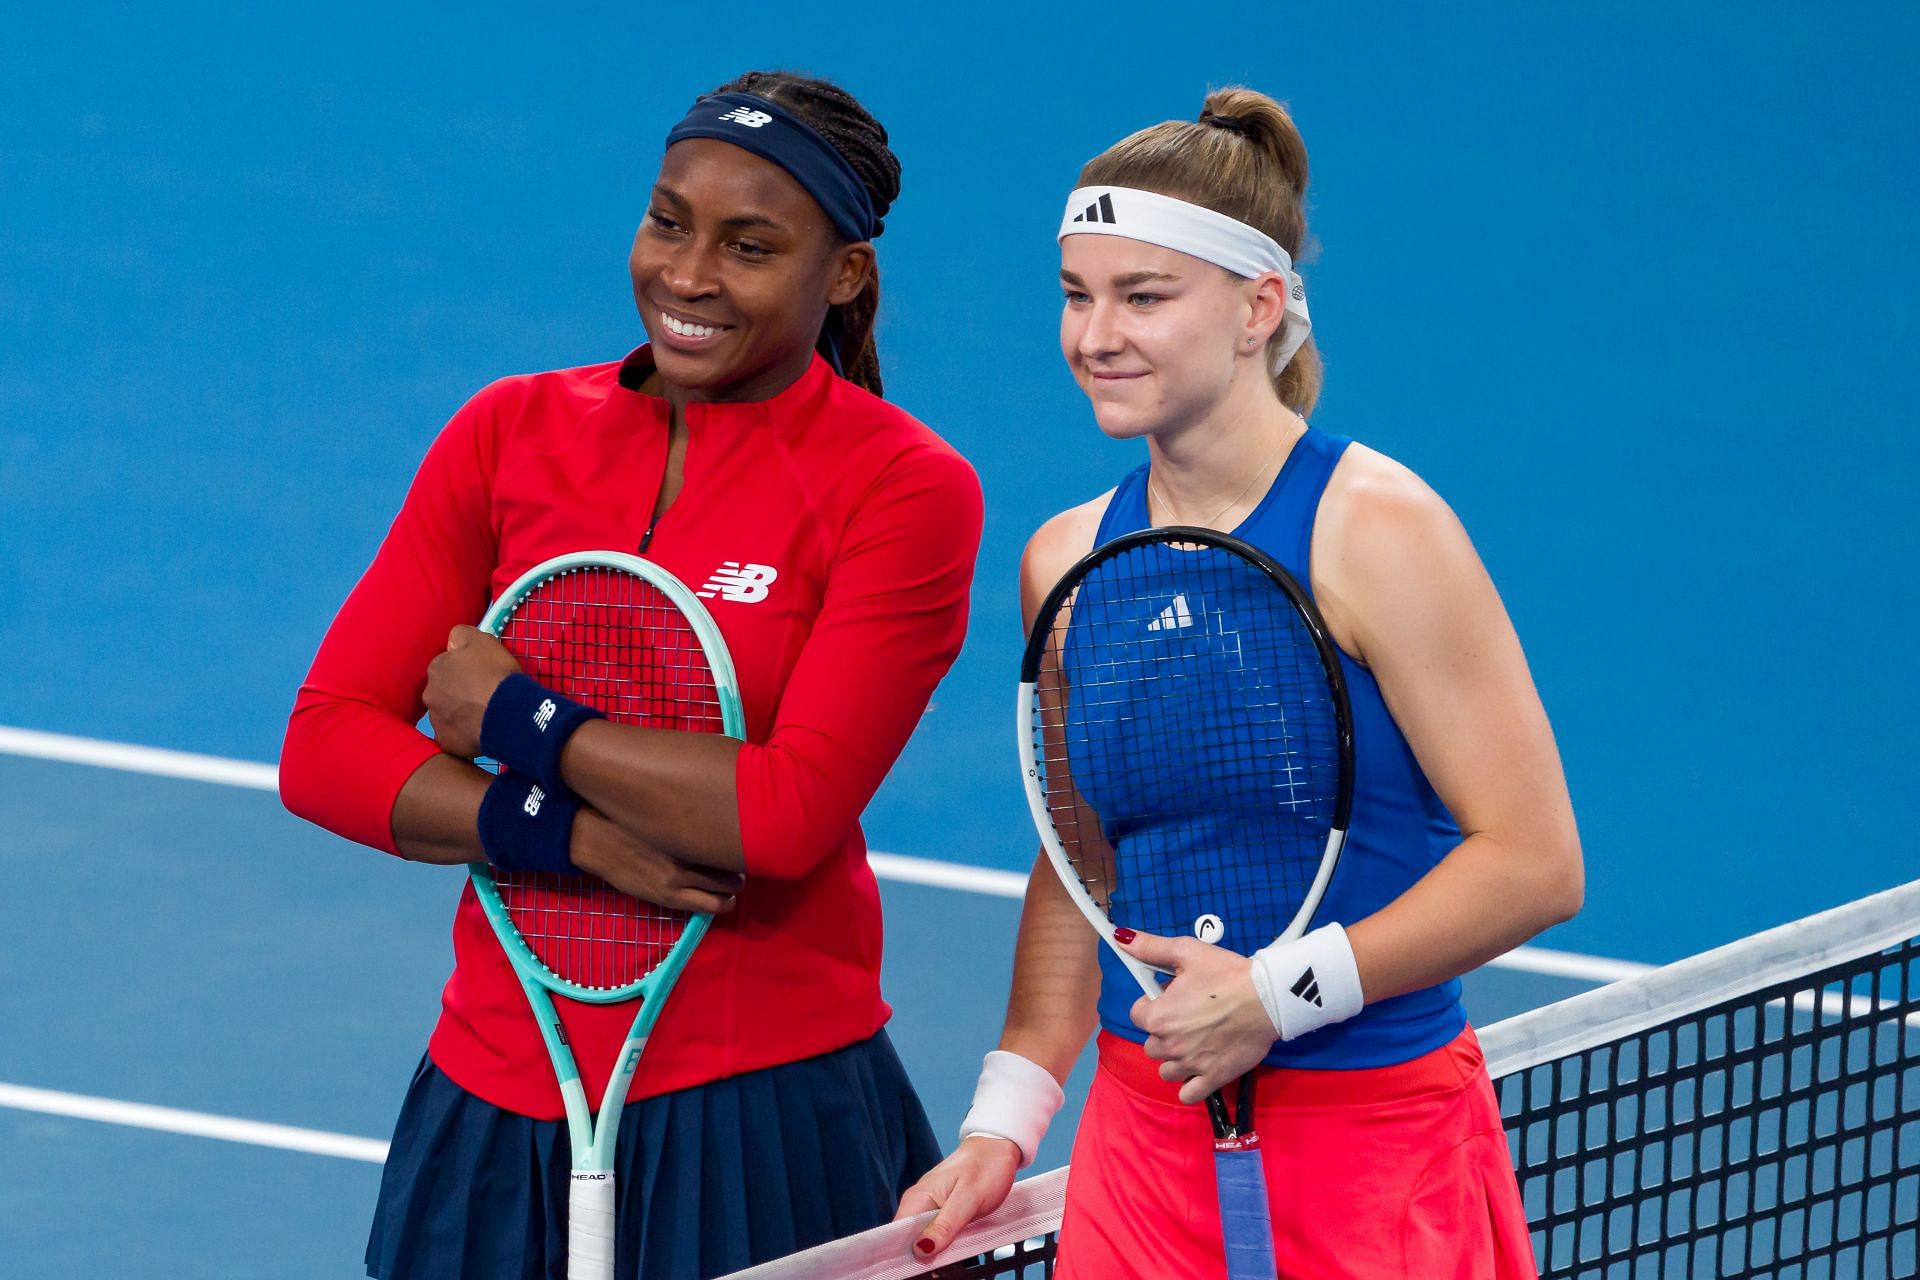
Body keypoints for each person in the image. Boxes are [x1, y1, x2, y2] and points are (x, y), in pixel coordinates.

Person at [279, 70, 983, 1280]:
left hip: (758, 1112)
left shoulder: (904, 488)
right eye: (669, 222)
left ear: (846, 275)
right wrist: (562, 831)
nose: (689, 275)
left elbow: (782, 810)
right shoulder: (507, 431)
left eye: (749, 246)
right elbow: (325, 747)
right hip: (495, 1089)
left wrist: (517, 714)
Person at [897, 87, 1580, 1278]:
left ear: (1260, 306)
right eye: (1077, 293)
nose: (1094, 334)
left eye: (1143, 295)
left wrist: (1282, 992)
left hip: (1371, 1150)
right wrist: (1003, 1116)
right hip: (1141, 1157)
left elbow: (1535, 862)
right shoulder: (1063, 561)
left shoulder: (1377, 530)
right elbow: (1082, 860)